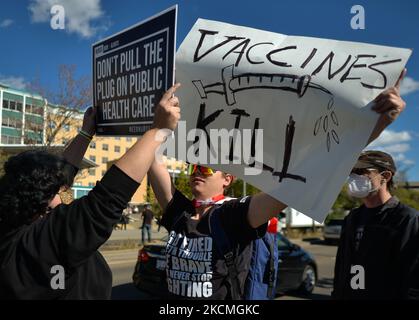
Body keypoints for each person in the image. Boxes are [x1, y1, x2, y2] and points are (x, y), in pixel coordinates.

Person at [148, 70, 407, 300]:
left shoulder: (233, 215)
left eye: (206, 168)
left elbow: (309, 174)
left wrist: (377, 123)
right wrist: (159, 122)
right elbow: (153, 160)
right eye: (194, 167)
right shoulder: (179, 212)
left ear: (228, 179)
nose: (197, 173)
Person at [0, 83, 181, 299]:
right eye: (57, 194)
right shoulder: (39, 246)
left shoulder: (13, 227)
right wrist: (158, 131)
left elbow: (62, 173)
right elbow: (106, 200)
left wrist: (86, 133)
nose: (63, 196)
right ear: (39, 205)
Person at [332, 150, 419, 299]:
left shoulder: (406, 218)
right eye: (352, 172)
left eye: (361, 171)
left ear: (385, 176)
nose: (354, 177)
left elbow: (413, 278)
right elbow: (342, 266)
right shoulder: (352, 218)